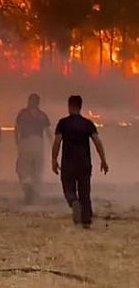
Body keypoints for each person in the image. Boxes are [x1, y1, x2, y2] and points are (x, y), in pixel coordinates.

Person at [52, 95, 109, 229]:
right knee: (85, 192)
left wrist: (54, 160)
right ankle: (86, 220)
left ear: (69, 106)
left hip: (68, 162)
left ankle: (73, 201)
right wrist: (103, 160)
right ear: (80, 106)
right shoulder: (88, 124)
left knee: (68, 189)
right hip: (84, 163)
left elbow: (57, 142)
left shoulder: (63, 123)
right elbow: (97, 142)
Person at [14, 93, 52, 204]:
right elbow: (48, 132)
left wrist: (17, 142)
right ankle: (34, 192)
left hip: (26, 143)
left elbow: (16, 128)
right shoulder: (42, 115)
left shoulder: (23, 114)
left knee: (23, 168)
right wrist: (53, 144)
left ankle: (28, 189)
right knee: (37, 169)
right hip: (38, 143)